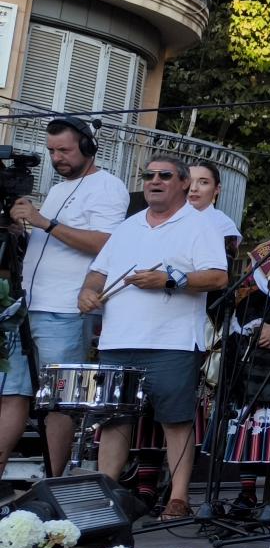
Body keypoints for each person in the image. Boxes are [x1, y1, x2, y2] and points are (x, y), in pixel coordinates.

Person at [76, 156, 229, 515]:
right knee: (115, 419)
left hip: (171, 340)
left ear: (183, 183)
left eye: (164, 176)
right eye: (148, 175)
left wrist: (170, 279)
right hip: (118, 339)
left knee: (174, 420)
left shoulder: (199, 224)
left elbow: (218, 277)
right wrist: (87, 290)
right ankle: (107, 495)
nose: (154, 181)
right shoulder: (128, 226)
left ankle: (178, 497)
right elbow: (98, 271)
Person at [10, 116, 129, 475]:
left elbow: (107, 243)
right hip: (27, 305)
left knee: (58, 401)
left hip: (64, 309)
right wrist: (24, 232)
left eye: (64, 150)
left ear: (88, 148)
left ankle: (52, 481)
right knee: (12, 393)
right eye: (51, 151)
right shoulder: (59, 190)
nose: (56, 157)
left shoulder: (108, 187)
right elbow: (54, 242)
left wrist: (45, 222)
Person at [186, 161, 242, 260]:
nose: (193, 188)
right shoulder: (164, 218)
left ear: (217, 189)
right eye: (189, 182)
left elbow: (223, 272)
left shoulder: (224, 226)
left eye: (203, 182)